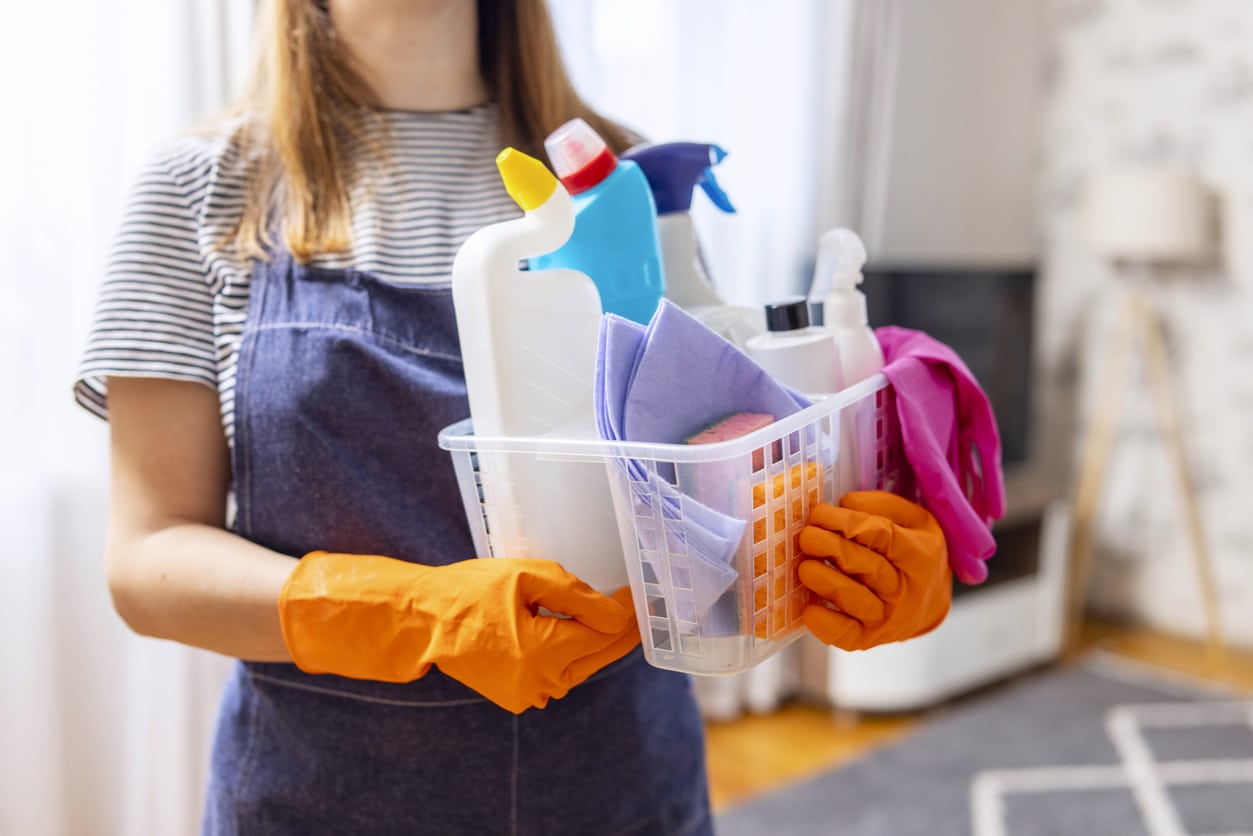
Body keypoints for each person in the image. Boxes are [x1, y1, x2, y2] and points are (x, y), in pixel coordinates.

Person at [75, 1, 953, 833]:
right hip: (318, 799)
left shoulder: (629, 181)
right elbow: (149, 558)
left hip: (621, 787)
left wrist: (839, 556)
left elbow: (705, 466)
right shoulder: (199, 190)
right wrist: (413, 614)